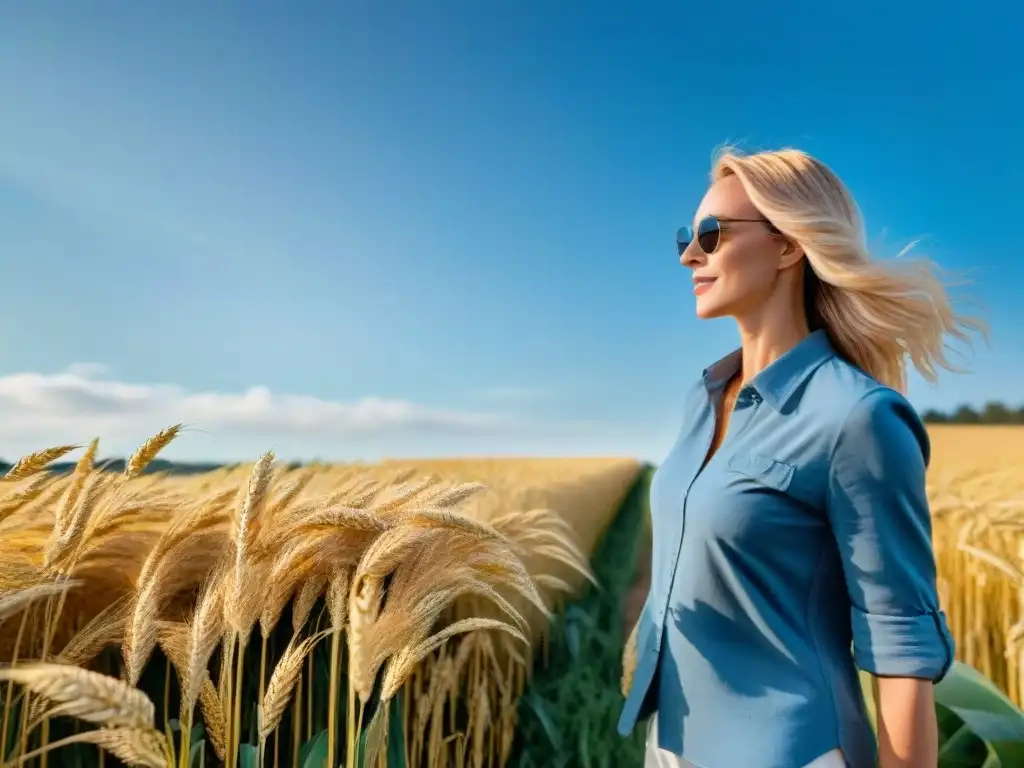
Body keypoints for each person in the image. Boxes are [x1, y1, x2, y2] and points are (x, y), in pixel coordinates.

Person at [618, 147, 985, 768]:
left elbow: (900, 649)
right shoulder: (702, 398)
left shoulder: (860, 418)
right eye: (687, 236)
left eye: (711, 234)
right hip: (672, 746)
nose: (689, 254)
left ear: (790, 246)